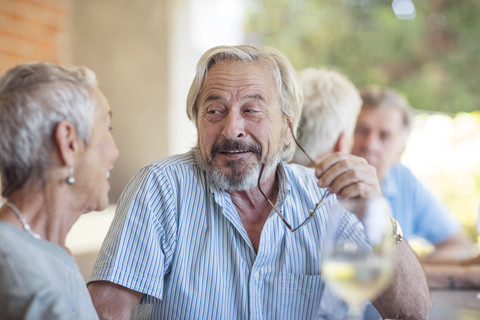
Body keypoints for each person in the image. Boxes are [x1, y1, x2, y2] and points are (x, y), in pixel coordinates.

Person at [88, 45, 430, 319]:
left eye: (251, 110)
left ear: (286, 130)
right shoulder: (161, 188)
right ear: (197, 124)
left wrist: (376, 214)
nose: (231, 128)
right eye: (214, 111)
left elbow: (411, 313)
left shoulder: (325, 195)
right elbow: (105, 315)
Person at [0, 62, 119, 319]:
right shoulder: (19, 275)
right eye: (107, 129)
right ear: (68, 143)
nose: (115, 151)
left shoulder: (42, 249)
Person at [351, 86, 475, 261]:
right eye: (362, 131)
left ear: (400, 150)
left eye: (384, 136)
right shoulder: (321, 181)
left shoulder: (403, 180)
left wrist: (410, 268)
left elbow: (460, 245)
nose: (370, 145)